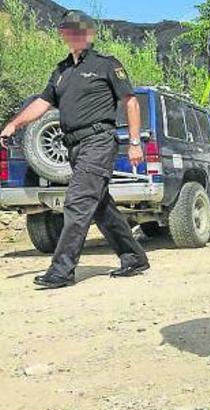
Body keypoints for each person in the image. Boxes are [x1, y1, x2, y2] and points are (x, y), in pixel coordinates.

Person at [0, 11, 150, 289]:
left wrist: (134, 143)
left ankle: (62, 270)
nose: (75, 35)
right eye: (70, 30)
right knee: (101, 207)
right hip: (74, 146)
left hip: (99, 141)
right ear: (63, 34)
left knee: (78, 202)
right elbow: (42, 104)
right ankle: (134, 257)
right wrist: (14, 124)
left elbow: (130, 102)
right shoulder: (61, 72)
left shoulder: (106, 65)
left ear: (89, 33)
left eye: (81, 30)